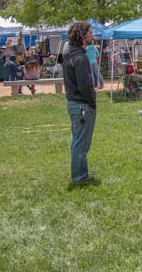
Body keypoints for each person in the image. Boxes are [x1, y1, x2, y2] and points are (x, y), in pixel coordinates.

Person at [62, 21, 98, 183]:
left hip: (74, 103)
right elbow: (84, 85)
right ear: (82, 35)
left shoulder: (70, 53)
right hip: (81, 104)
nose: (92, 34)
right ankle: (80, 177)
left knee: (77, 141)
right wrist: (92, 101)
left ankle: (80, 173)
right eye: (90, 32)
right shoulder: (80, 57)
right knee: (80, 143)